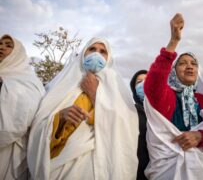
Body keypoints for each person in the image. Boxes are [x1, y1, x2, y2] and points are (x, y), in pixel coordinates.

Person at [27, 38, 139, 180]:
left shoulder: (117, 91)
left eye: (103, 51)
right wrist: (59, 117)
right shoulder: (61, 85)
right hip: (59, 165)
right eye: (92, 49)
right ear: (83, 53)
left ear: (108, 58)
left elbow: (125, 132)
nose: (96, 54)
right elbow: (37, 128)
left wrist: (95, 95)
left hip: (97, 168)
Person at [143, 13, 203, 180]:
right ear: (173, 71)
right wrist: (173, 42)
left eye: (194, 64)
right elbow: (153, 84)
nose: (189, 67)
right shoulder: (167, 96)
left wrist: (201, 137)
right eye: (183, 63)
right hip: (167, 171)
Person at [0, 35, 45, 180]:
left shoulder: (29, 82)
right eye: (0, 44)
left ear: (18, 53)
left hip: (10, 155)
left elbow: (18, 122)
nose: (2, 47)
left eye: (8, 45)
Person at [130, 70, 149, 180]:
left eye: (147, 80)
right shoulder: (130, 110)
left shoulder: (166, 110)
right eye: (139, 82)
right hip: (138, 172)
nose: (143, 84)